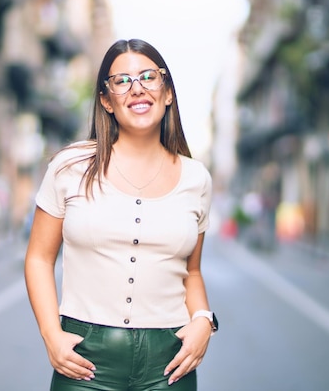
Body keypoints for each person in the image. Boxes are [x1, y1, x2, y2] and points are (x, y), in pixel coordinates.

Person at [24, 39, 217, 390]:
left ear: (168, 92)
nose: (137, 88)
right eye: (122, 81)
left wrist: (204, 320)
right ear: (105, 99)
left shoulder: (196, 178)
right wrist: (51, 334)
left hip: (170, 364)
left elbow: (192, 271)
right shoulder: (70, 166)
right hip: (85, 362)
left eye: (148, 77)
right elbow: (38, 257)